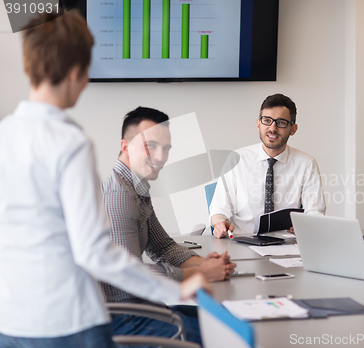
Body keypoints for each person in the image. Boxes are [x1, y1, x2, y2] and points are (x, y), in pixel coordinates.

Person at [0, 12, 209, 348]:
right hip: (68, 321)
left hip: (11, 321)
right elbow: (93, 251)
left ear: (29, 66)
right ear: (76, 74)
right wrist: (176, 288)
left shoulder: (4, 134)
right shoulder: (70, 143)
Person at [101, 106, 237, 344]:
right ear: (125, 147)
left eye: (165, 148)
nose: (161, 157)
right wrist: (200, 273)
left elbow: (163, 247)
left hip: (145, 308)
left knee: (229, 320)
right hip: (126, 318)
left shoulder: (136, 186)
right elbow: (129, 278)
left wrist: (208, 264)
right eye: (150, 146)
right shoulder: (118, 196)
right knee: (227, 336)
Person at [209, 93, 326, 238]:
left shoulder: (306, 164)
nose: (273, 128)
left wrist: (308, 225)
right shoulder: (236, 159)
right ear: (258, 124)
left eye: (281, 122)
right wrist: (220, 222)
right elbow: (219, 208)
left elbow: (315, 212)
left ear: (293, 129)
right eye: (267, 120)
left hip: (286, 243)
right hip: (242, 240)